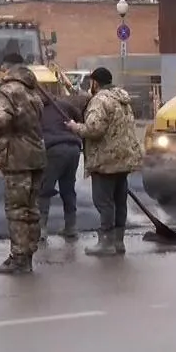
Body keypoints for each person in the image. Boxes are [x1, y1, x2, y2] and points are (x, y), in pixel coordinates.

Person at [0, 52, 46, 275]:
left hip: (18, 159)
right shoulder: (33, 91)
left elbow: (1, 118)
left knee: (17, 210)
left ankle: (19, 259)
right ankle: (27, 254)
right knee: (32, 210)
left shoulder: (9, 91)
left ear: (6, 67)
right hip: (37, 157)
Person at [68, 67, 144, 256]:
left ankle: (106, 243)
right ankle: (119, 242)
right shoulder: (122, 99)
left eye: (91, 82)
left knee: (104, 202)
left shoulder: (100, 100)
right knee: (120, 201)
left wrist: (75, 127)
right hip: (124, 158)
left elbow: (94, 129)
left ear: (95, 82)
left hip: (106, 160)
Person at [37, 85, 89, 239]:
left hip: (53, 150)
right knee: (68, 188)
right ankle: (71, 227)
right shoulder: (64, 105)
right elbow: (80, 118)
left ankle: (41, 230)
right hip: (73, 149)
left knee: (44, 189)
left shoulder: (37, 111)